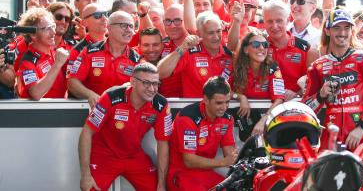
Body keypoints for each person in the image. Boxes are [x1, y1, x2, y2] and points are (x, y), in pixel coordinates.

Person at [302, 9, 363, 189]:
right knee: (324, 186)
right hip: (331, 138)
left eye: (346, 28)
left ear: (352, 31)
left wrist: (361, 127)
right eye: (337, 28)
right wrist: (320, 95)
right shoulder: (317, 67)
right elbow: (307, 110)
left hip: (362, 136)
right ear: (327, 30)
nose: (342, 33)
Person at [78, 62, 171, 191]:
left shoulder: (161, 105)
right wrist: (85, 175)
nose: (152, 89)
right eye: (146, 83)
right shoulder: (111, 97)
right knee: (89, 188)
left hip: (135, 156)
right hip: (104, 155)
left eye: (155, 83)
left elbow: (163, 143)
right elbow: (87, 132)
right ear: (133, 82)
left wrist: (161, 184)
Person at [167, 76, 238, 191]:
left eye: (227, 102)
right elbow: (189, 161)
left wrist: (236, 159)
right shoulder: (188, 118)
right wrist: (223, 162)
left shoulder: (227, 119)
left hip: (206, 173)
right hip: (182, 174)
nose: (224, 108)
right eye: (219, 103)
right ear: (205, 99)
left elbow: (230, 152)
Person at [67, 11, 141, 107]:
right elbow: (72, 82)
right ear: (109, 27)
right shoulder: (90, 51)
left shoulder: (136, 60)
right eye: (123, 25)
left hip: (121, 116)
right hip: (90, 112)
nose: (128, 30)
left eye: (131, 26)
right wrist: (89, 95)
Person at [158, 11, 233, 98]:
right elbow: (160, 73)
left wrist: (236, 96)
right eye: (210, 33)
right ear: (199, 33)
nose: (216, 37)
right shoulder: (189, 53)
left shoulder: (228, 55)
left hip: (223, 109)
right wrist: (182, 48)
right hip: (195, 109)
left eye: (218, 31)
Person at [262, 0, 318, 100]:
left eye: (279, 21)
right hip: (262, 106)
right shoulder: (258, 46)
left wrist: (297, 93)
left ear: (288, 20)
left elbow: (314, 84)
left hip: (295, 108)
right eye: (270, 21)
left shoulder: (306, 49)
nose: (275, 26)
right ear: (264, 22)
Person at [233, 31, 285, 134]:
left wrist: (263, 121)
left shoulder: (273, 68)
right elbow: (224, 91)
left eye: (265, 45)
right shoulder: (235, 67)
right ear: (246, 50)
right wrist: (240, 97)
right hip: (240, 122)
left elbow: (279, 99)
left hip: (266, 119)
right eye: (256, 44)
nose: (262, 48)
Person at [16, 8, 69, 99]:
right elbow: (36, 94)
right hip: (39, 112)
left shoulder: (55, 52)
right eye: (47, 29)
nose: (53, 32)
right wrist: (57, 65)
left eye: (53, 26)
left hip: (60, 110)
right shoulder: (27, 61)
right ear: (33, 35)